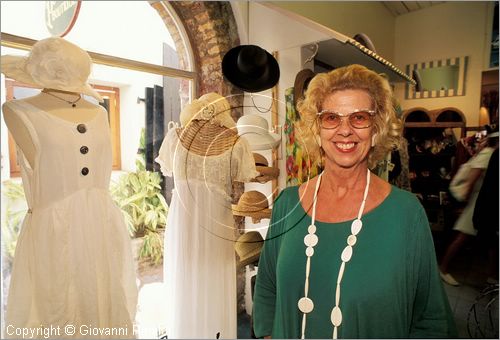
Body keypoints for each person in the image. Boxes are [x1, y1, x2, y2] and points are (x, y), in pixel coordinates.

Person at [252, 64, 457, 338]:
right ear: (317, 128)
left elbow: (431, 317)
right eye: (331, 118)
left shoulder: (406, 213)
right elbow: (267, 288)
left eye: (359, 117)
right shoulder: (287, 205)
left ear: (376, 128)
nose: (345, 130)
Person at [2, 37, 137, 337]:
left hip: (99, 229)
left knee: (100, 302)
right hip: (54, 232)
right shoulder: (18, 111)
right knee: (57, 309)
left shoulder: (100, 111)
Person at [155, 93, 258, 338]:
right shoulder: (177, 138)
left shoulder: (234, 143)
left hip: (196, 222)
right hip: (196, 223)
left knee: (196, 279)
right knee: (198, 279)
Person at [439, 129, 499, 286]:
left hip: (482, 201)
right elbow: (471, 180)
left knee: (491, 240)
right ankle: (443, 269)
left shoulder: (488, 152)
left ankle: (493, 275)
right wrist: (463, 203)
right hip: (476, 202)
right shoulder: (488, 154)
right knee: (463, 236)